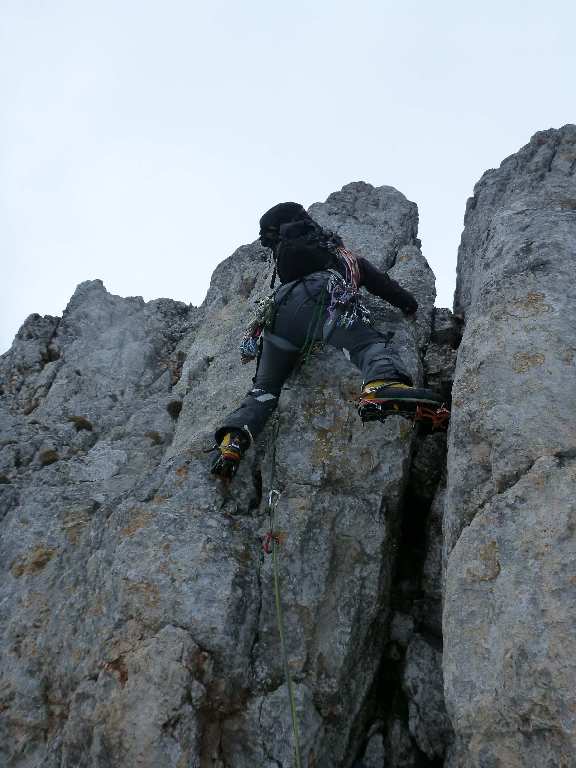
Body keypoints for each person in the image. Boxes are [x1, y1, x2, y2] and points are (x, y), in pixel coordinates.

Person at [210, 202, 443, 478]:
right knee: (367, 344)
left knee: (264, 388)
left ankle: (233, 440)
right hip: (324, 297)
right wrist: (410, 305)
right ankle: (381, 384)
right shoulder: (342, 255)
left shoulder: (284, 263)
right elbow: (385, 286)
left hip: (279, 314)